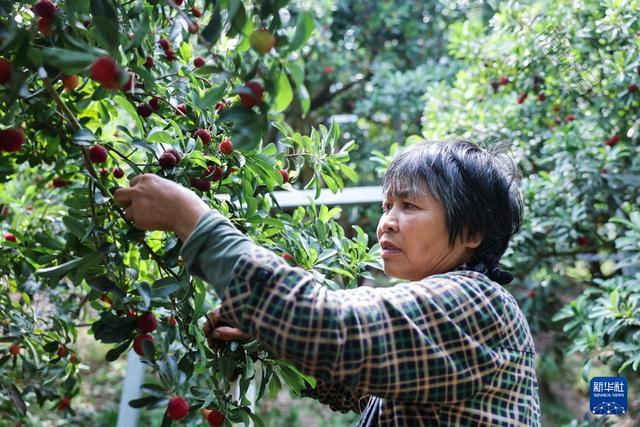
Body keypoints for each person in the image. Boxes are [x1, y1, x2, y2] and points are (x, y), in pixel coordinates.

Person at [114, 139, 540, 426]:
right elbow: (360, 378)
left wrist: (191, 218)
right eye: (386, 205)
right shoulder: (449, 311)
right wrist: (267, 331)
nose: (386, 223)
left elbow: (329, 328)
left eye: (409, 205)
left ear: (472, 233)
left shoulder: (475, 302)